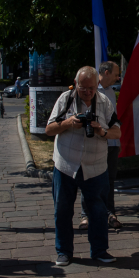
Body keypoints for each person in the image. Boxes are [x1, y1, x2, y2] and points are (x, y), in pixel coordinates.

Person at [45, 66, 120, 266]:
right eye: (83, 88)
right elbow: (49, 129)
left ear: (97, 86)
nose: (87, 92)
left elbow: (117, 132)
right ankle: (64, 252)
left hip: (96, 166)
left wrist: (101, 131)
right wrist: (68, 123)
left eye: (91, 88)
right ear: (76, 84)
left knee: (98, 210)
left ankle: (99, 250)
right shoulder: (65, 99)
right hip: (66, 165)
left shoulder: (104, 103)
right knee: (62, 210)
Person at [79, 61, 123, 231]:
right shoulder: (92, 89)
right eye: (116, 74)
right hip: (94, 142)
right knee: (88, 178)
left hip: (111, 142)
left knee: (109, 180)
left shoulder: (111, 92)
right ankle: (86, 215)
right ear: (105, 72)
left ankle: (110, 213)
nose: (118, 78)